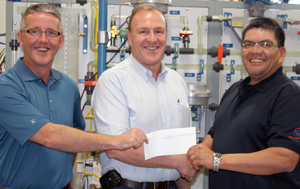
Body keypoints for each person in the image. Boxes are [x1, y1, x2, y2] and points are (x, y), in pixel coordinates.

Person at [0, 4, 148, 189]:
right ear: (21, 38)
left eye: (51, 33)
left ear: (61, 41)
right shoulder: (6, 87)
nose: (43, 40)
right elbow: (50, 136)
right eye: (35, 31)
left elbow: (73, 140)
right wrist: (117, 140)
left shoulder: (68, 87)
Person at [91, 4, 197, 189]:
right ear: (130, 38)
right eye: (143, 32)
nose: (152, 39)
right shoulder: (113, 81)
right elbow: (115, 149)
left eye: (158, 31)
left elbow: (181, 149)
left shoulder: (177, 82)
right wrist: (176, 162)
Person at [187, 17, 300, 188]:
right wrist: (199, 152)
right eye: (248, 44)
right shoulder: (235, 90)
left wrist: (216, 160)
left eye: (265, 44)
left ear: (281, 53)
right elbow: (215, 133)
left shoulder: (288, 95)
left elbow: (284, 158)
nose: (256, 51)